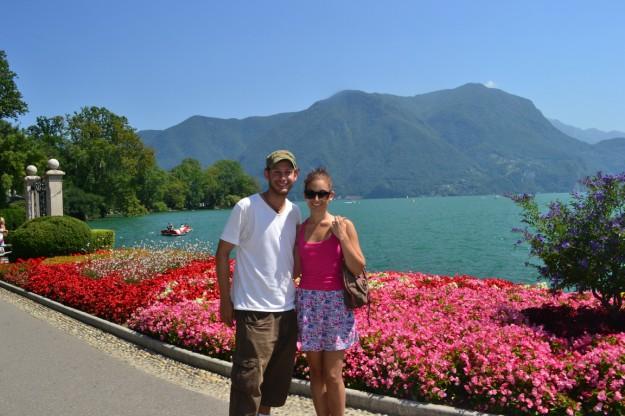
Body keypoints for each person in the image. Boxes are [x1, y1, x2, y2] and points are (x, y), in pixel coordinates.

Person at [216, 149, 301, 416]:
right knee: (248, 382)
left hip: (287, 310)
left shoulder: (294, 212)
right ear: (267, 175)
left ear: (295, 176)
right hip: (253, 310)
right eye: (277, 172)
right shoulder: (246, 207)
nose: (282, 177)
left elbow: (294, 255)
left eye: (288, 172)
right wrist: (225, 300)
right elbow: (222, 253)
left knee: (274, 384)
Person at [294, 168, 366, 416]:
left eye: (321, 194)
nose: (316, 199)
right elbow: (294, 270)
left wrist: (342, 238)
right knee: (315, 372)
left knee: (334, 374)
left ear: (331, 195)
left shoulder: (344, 225)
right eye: (311, 193)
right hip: (308, 303)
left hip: (336, 304)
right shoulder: (300, 230)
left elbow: (357, 267)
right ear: (304, 195)